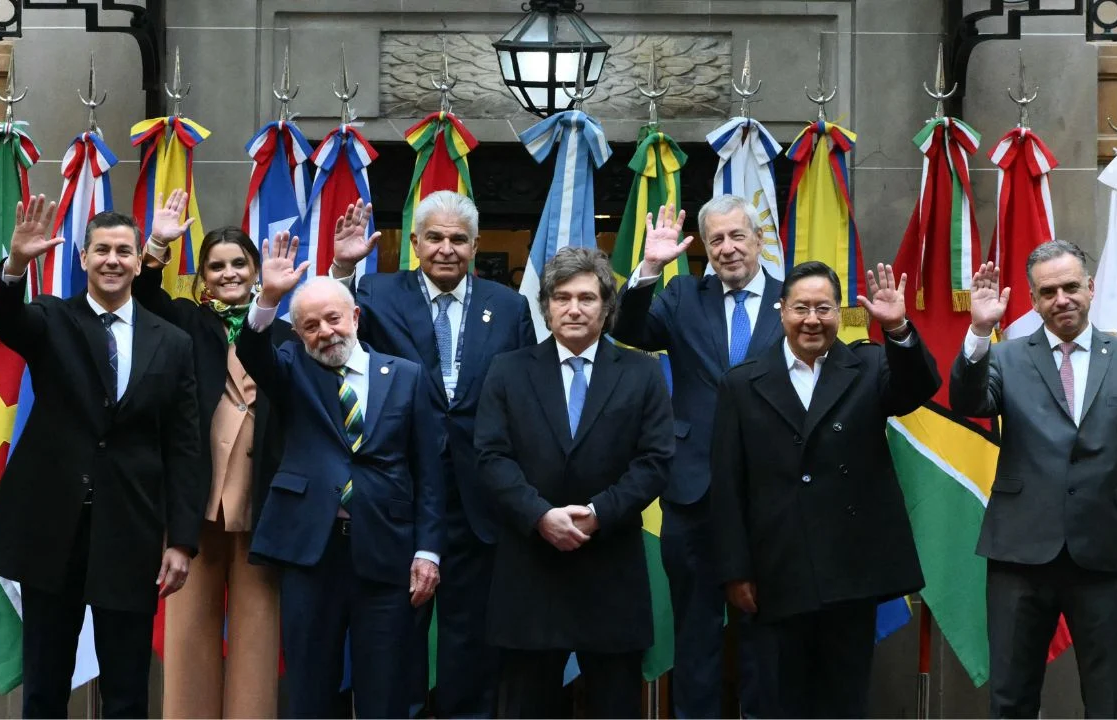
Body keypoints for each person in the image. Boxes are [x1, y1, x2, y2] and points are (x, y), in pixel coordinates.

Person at [0, 197, 201, 718]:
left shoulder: (173, 342)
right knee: (46, 685)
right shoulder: (51, 317)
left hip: (131, 530)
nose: (112, 260)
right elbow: (2, 316)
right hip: (53, 529)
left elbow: (184, 445)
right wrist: (16, 264)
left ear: (139, 261)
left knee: (127, 691)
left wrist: (182, 540)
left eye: (123, 251)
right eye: (101, 250)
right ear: (84, 258)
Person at [328, 191, 535, 716]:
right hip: (399, 493)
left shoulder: (508, 306)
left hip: (478, 499)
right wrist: (343, 269)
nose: (447, 248)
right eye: (435, 238)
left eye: (459, 239)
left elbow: (525, 392)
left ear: (475, 246)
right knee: (397, 637)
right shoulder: (375, 292)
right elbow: (333, 333)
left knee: (471, 642)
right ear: (415, 243)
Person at [711, 260, 941, 718]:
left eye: (824, 308)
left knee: (843, 701)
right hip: (776, 570)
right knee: (778, 701)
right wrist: (735, 571)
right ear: (781, 310)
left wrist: (896, 327)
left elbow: (919, 386)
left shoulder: (869, 364)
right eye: (801, 308)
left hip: (850, 569)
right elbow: (728, 485)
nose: (812, 319)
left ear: (839, 312)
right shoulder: (741, 382)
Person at [949, 242, 1117, 719]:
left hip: (1105, 558)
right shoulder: (1005, 358)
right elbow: (968, 402)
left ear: (1090, 288)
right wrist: (980, 330)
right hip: (1019, 554)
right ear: (1033, 300)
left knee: (1108, 701)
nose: (1062, 299)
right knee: (1011, 698)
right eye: (1048, 292)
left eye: (1071, 287)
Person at [236, 232, 445, 719]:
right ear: (298, 333)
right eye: (310, 326)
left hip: (387, 551)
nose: (325, 332)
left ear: (355, 317)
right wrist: (268, 297)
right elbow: (253, 352)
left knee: (384, 692)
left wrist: (428, 551)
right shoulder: (292, 368)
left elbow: (430, 473)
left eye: (333, 319)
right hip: (312, 550)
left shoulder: (406, 375)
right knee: (310, 690)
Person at [475, 246, 673, 719]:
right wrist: (540, 515)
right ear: (546, 307)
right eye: (561, 298)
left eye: (587, 298)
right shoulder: (508, 370)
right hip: (531, 570)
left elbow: (655, 460)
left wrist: (600, 513)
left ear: (607, 307)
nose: (574, 308)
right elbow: (491, 456)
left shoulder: (643, 372)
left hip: (610, 570)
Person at [609, 195, 782, 717]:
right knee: (696, 635)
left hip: (772, 494)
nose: (727, 248)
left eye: (737, 236)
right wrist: (649, 268)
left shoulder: (791, 298)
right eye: (716, 240)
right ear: (704, 248)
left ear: (759, 240)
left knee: (766, 637)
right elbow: (627, 330)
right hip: (693, 492)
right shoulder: (682, 295)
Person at [133, 190, 290, 718]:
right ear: (202, 277)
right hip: (194, 502)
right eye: (216, 266)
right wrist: (158, 245)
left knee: (258, 635)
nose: (228, 274)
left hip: (261, 501)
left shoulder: (284, 331)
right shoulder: (184, 320)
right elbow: (142, 297)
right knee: (188, 633)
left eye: (238, 263)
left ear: (255, 270)